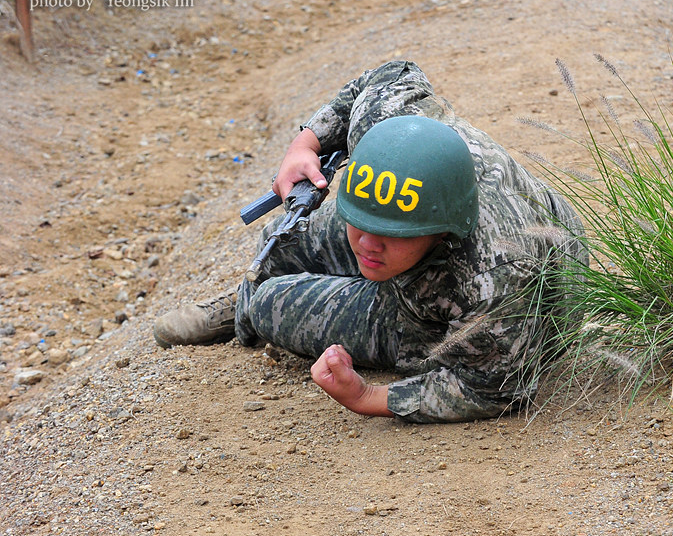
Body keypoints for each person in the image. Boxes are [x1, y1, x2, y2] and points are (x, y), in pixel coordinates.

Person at [153, 60, 587, 423]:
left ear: (440, 231)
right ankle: (241, 301)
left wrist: (367, 397)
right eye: (357, 225)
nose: (366, 245)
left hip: (457, 307)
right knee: (286, 236)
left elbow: (489, 387)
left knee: (274, 306)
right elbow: (386, 75)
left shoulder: (495, 278)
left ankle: (253, 308)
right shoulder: (387, 122)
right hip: (426, 233)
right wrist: (304, 145)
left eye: (390, 237)